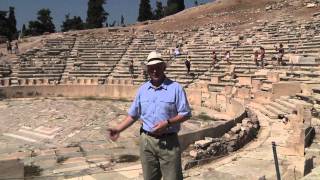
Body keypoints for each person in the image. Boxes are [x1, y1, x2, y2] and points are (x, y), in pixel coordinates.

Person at [108, 51, 191, 180]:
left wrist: (167, 123)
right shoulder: (142, 90)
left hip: (168, 142)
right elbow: (133, 115)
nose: (155, 71)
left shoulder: (176, 88)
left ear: (164, 67)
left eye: (158, 67)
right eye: (151, 68)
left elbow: (186, 114)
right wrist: (118, 129)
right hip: (147, 142)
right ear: (147, 70)